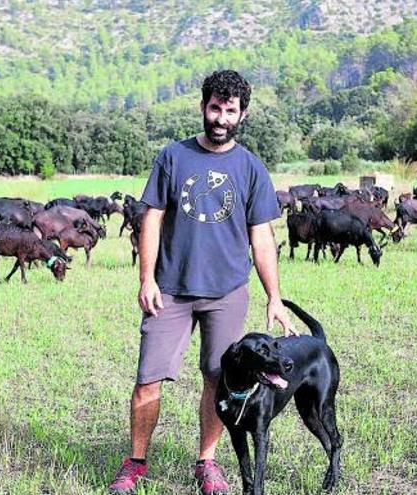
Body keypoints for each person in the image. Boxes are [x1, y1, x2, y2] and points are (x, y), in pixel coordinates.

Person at [108, 69, 297, 495]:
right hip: (170, 291)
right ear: (203, 106)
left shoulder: (250, 167)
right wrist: (146, 279)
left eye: (230, 111)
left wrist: (274, 296)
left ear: (242, 115)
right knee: (148, 379)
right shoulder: (173, 157)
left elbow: (261, 236)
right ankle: (135, 463)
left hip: (227, 292)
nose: (220, 117)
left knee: (219, 378)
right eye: (215, 107)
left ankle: (206, 463)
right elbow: (151, 218)